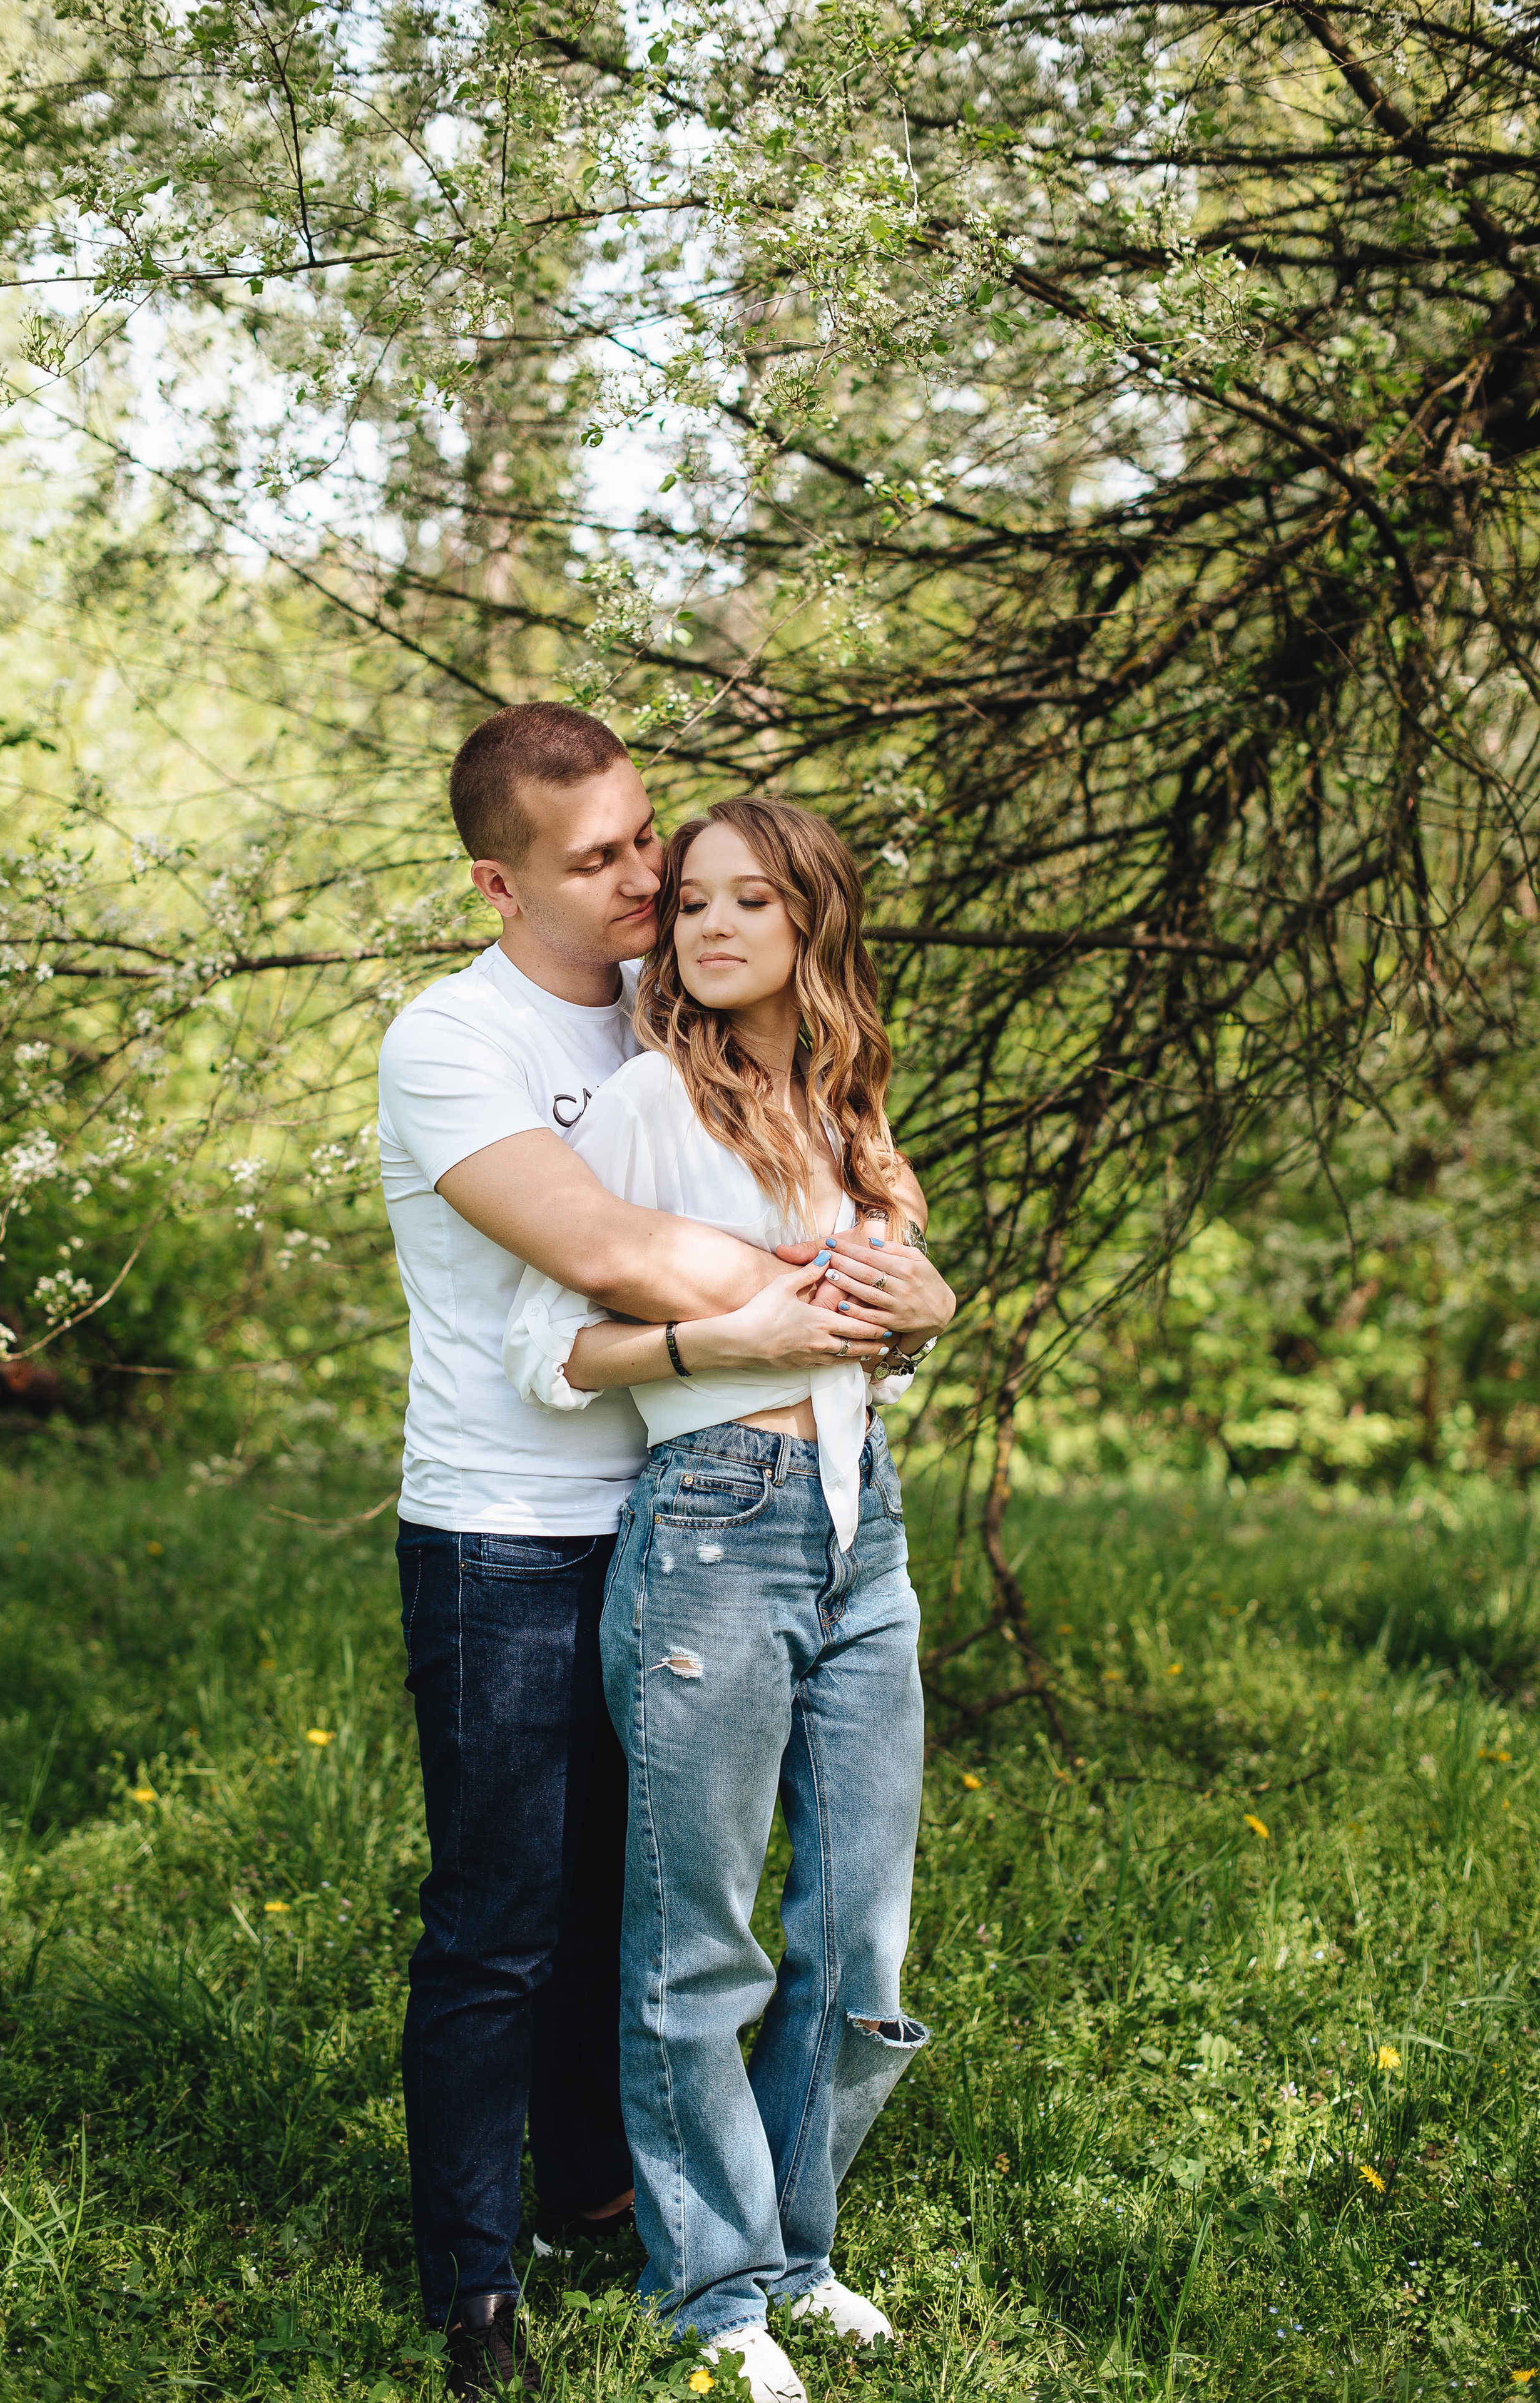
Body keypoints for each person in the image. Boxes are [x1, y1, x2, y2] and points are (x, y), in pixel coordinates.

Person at [377, 706, 909, 2398]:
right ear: (498, 878)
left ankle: (605, 2193)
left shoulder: (684, 1003)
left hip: (694, 1512)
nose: (650, 877)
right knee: (504, 1913)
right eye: (602, 858)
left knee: (649, 1893)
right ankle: (476, 2283)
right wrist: (829, 1297)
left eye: (647, 840)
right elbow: (602, 1250)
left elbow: (844, 1164)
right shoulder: (450, 1041)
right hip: (505, 1528)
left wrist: (899, 1274)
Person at [503, 796, 956, 2403]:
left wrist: (930, 1304)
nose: (706, 926)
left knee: (858, 1940)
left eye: (750, 900)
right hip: (711, 1522)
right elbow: (550, 1353)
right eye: (689, 900)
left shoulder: (844, 1101)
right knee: (695, 1941)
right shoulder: (641, 1106)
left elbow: (892, 1315)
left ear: (809, 924)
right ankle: (710, 2290)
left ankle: (797, 2251)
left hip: (860, 1524)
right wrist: (727, 1345)